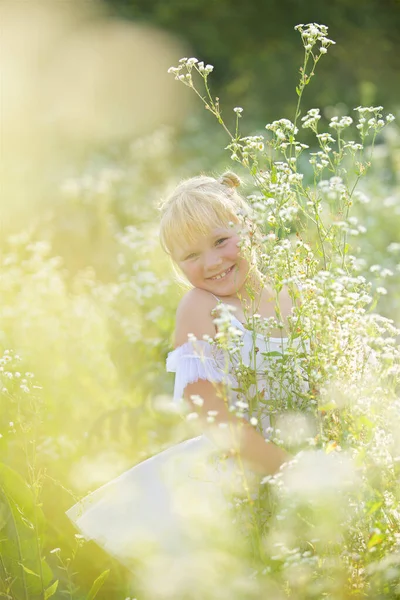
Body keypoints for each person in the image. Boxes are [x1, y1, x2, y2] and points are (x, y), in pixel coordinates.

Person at [65, 171, 305, 575]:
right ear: (176, 265)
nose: (212, 262)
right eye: (190, 256)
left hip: (304, 442)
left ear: (249, 228)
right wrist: (280, 465)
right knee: (243, 568)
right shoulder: (200, 307)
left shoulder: (290, 293)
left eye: (220, 242)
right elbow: (206, 406)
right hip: (241, 462)